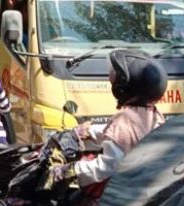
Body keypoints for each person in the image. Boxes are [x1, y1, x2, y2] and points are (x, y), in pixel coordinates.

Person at [51, 50, 167, 187]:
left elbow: (107, 166)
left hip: (123, 193)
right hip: (146, 184)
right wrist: (86, 132)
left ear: (125, 87)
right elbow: (125, 135)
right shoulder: (152, 115)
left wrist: (69, 171)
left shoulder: (125, 119)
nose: (111, 78)